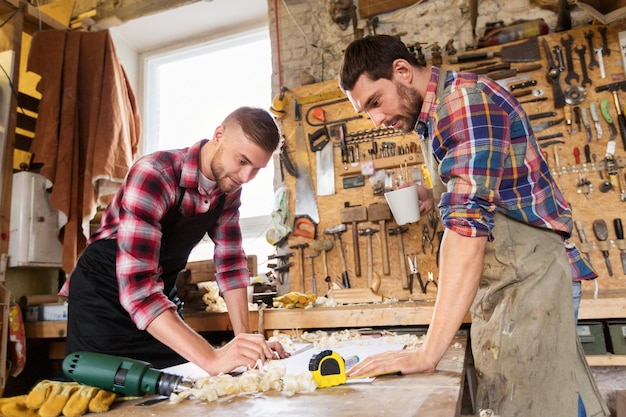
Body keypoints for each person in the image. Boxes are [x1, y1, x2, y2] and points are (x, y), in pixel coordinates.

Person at [338, 35, 608, 416]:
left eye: (375, 102)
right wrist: (431, 192)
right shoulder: (431, 117)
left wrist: (428, 352)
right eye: (366, 113)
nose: (377, 120)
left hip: (531, 282)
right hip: (509, 283)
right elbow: (486, 187)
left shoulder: (464, 102)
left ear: (401, 70)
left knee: (544, 406)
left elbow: (466, 231)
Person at [61, 106, 288, 376]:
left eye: (256, 169)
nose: (245, 177)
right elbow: (138, 290)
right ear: (219, 135)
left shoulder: (228, 190)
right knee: (107, 397)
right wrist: (213, 359)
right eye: (241, 161)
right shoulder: (154, 174)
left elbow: (230, 265)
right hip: (104, 298)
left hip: (157, 295)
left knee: (174, 386)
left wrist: (247, 346)